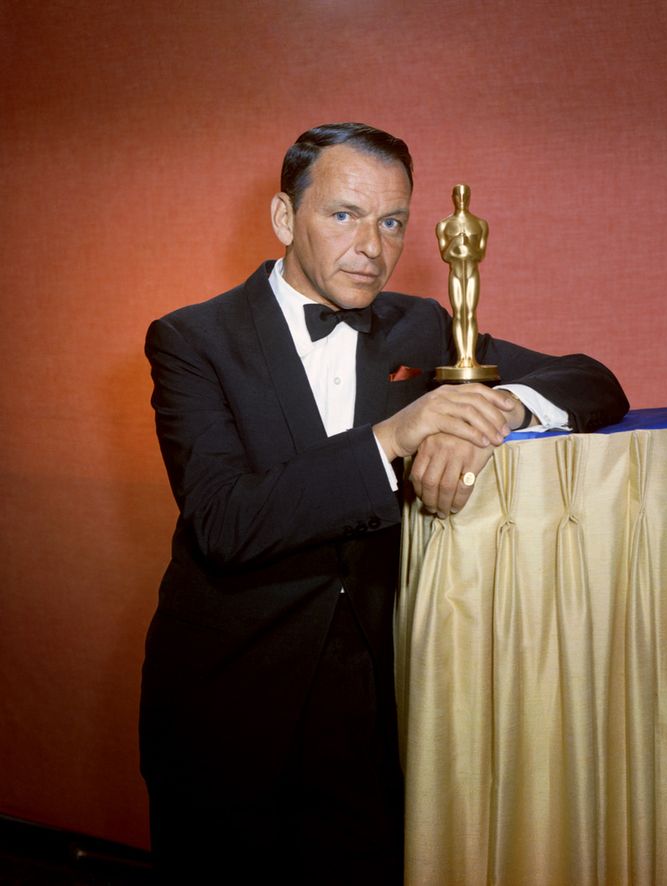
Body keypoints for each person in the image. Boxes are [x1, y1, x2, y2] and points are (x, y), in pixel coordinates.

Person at [139, 122, 628, 885]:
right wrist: (393, 436)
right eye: (343, 214)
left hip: (376, 705)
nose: (372, 244)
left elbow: (591, 379)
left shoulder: (420, 323)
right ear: (282, 218)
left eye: (392, 220)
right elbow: (228, 521)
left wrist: (492, 410)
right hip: (227, 701)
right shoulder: (192, 339)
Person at [435, 183, 488, 368]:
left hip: (472, 272)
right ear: (453, 197)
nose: (462, 199)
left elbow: (480, 254)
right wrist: (458, 243)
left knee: (470, 313)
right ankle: (461, 358)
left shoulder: (480, 224)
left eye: (465, 195)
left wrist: (467, 246)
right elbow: (445, 254)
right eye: (458, 195)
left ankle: (470, 357)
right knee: (459, 314)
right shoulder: (444, 225)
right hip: (456, 272)